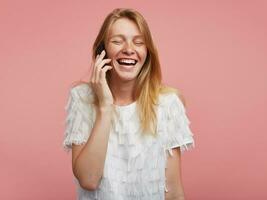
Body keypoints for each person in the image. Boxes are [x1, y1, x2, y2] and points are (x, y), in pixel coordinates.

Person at [63, 8, 195, 200]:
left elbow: (174, 192)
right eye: (117, 41)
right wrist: (105, 107)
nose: (129, 49)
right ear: (103, 51)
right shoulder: (82, 98)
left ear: (147, 52)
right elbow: (89, 180)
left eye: (139, 42)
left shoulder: (168, 104)